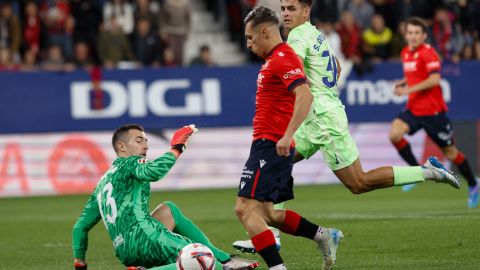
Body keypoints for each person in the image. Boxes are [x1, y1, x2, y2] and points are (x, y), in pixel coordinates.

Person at [233, 0, 461, 257]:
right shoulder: (317, 35)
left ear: (306, 11)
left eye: (292, 8)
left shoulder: (296, 37)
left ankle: (428, 172)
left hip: (322, 120)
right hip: (317, 117)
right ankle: (270, 231)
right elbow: (337, 67)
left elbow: (290, 69)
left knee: (358, 182)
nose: (285, 14)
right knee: (279, 161)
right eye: (283, 8)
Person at [234, 6, 343, 270]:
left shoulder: (283, 57)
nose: (248, 44)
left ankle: (277, 268)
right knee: (268, 213)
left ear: (264, 32)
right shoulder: (273, 59)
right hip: (270, 143)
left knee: (244, 209)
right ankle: (323, 235)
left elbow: (305, 94)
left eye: (250, 38)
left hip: (272, 143)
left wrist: (287, 134)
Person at [72, 124, 259, 270]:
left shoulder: (102, 183)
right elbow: (154, 171)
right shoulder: (131, 163)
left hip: (124, 251)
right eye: (139, 140)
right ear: (121, 146)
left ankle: (225, 258)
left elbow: (80, 227)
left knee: (168, 209)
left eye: (145, 140)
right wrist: (176, 147)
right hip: (147, 238)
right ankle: (223, 263)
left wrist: (79, 261)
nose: (145, 145)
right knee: (206, 261)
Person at [388, 17, 478, 208]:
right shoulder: (405, 53)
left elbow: (435, 80)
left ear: (424, 36)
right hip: (414, 110)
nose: (412, 36)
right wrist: (404, 82)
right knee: (394, 134)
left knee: (451, 153)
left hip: (433, 113)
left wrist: (408, 90)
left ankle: (473, 184)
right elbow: (414, 74)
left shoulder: (428, 53)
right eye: (409, 33)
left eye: (416, 33)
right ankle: (415, 173)